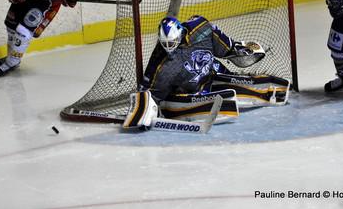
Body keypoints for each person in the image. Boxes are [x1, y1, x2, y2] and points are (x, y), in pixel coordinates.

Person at [123, 15, 290, 129]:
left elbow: (224, 45)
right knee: (180, 94)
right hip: (190, 90)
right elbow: (150, 91)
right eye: (165, 44)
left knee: (232, 80)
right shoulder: (161, 64)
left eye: (172, 43)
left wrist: (237, 48)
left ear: (181, 32)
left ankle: (267, 91)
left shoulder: (201, 28)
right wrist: (143, 109)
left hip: (211, 74)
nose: (169, 48)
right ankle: (203, 100)